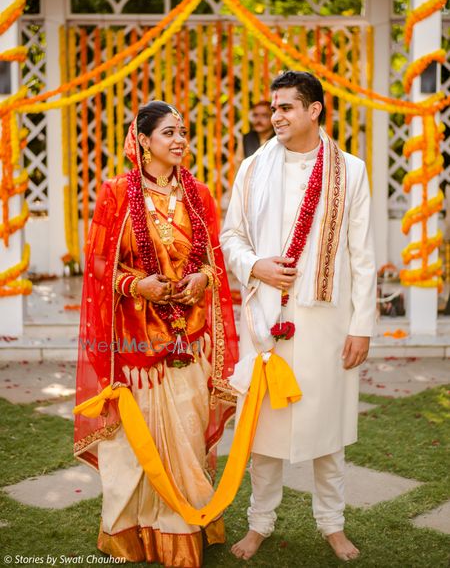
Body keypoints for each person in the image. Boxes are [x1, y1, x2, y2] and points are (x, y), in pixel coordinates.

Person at [220, 71, 377, 562]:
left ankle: (333, 524)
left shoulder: (350, 170)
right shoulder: (252, 169)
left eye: (287, 107)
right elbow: (231, 238)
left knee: (325, 430)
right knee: (262, 433)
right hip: (265, 318)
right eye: (274, 107)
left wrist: (362, 325)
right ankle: (259, 523)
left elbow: (362, 254)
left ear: (314, 110)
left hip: (326, 323)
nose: (277, 116)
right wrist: (257, 266)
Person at [74, 100, 238, 567]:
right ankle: (136, 529)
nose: (179, 140)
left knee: (184, 435)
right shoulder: (115, 193)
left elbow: (212, 259)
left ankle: (185, 523)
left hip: (190, 336)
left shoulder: (199, 195)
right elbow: (100, 264)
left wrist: (202, 280)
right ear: (143, 140)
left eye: (182, 131)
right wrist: (135, 285)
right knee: (138, 439)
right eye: (168, 132)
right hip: (136, 342)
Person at [235, 101, 275, 168]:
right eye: (255, 115)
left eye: (264, 115)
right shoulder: (245, 138)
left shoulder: (280, 138)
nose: (259, 120)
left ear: (273, 117)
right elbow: (239, 164)